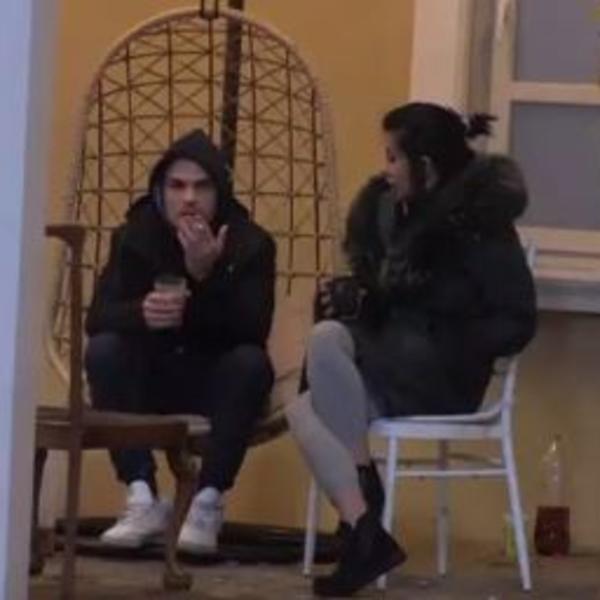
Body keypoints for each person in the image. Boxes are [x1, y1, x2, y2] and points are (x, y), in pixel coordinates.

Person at [286, 102, 537, 597]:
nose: (386, 170)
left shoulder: (479, 226)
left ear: (425, 165)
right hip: (388, 366)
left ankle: (363, 514)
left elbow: (518, 320)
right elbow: (385, 303)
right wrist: (356, 298)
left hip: (443, 377)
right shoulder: (387, 214)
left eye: (393, 158)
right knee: (311, 378)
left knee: (312, 387)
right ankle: (365, 521)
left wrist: (449, 336)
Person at [85, 129, 276, 553]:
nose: (189, 198)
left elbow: (252, 329)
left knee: (251, 364)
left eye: (201, 187)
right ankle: (142, 496)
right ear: (160, 191)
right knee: (104, 350)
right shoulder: (134, 236)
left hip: (214, 382)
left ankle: (207, 502)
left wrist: (204, 276)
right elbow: (97, 317)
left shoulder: (251, 244)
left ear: (219, 192)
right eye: (177, 186)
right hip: (149, 380)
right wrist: (141, 313)